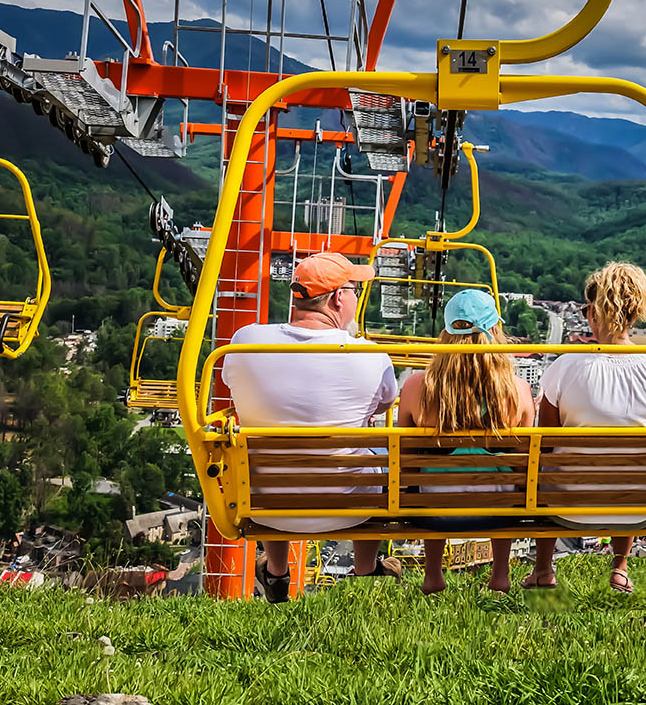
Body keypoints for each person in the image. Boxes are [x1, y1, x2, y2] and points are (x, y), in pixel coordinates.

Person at [221, 252, 399, 603]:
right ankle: (366, 568)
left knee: (267, 445)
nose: (356, 299)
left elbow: (230, 381)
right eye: (355, 291)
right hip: (347, 507)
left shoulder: (246, 340)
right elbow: (385, 402)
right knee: (379, 443)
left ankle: (275, 571)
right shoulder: (369, 355)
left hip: (264, 503)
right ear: (337, 298)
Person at [523, 262, 646, 594]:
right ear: (635, 313)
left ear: (592, 313)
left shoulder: (564, 365)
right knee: (633, 461)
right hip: (640, 507)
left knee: (544, 467)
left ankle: (543, 569)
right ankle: (620, 568)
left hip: (569, 507)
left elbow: (546, 441)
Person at [395, 289, 536, 594]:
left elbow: (405, 460)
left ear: (445, 333)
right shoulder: (518, 391)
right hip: (500, 512)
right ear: (495, 331)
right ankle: (500, 574)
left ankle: (433, 575)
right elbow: (523, 466)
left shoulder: (418, 387)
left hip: (433, 511)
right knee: (506, 477)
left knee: (427, 470)